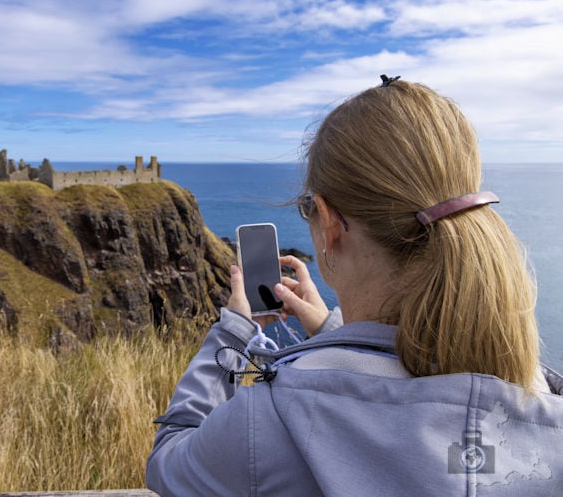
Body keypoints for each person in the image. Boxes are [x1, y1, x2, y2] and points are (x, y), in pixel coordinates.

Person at [145, 77, 563, 496]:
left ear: (329, 223)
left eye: (307, 207)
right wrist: (333, 334)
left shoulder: (269, 422)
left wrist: (234, 333)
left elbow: (169, 461)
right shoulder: (545, 404)